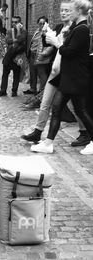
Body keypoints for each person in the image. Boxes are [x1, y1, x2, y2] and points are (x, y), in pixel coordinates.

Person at [31, 0, 93, 155]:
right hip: (69, 78)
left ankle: (50, 142)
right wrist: (55, 39)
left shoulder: (82, 29)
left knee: (81, 111)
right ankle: (48, 143)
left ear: (78, 11)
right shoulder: (77, 28)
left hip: (75, 78)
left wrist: (57, 43)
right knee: (61, 108)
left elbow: (69, 52)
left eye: (71, 10)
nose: (68, 12)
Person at [0, 16, 27, 97]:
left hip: (17, 55)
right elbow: (7, 40)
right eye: (13, 22)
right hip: (9, 54)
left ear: (20, 23)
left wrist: (19, 32)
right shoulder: (10, 31)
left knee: (16, 74)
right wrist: (16, 40)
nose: (14, 24)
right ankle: (3, 90)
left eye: (16, 22)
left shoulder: (24, 31)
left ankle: (14, 91)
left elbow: (22, 39)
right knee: (5, 73)